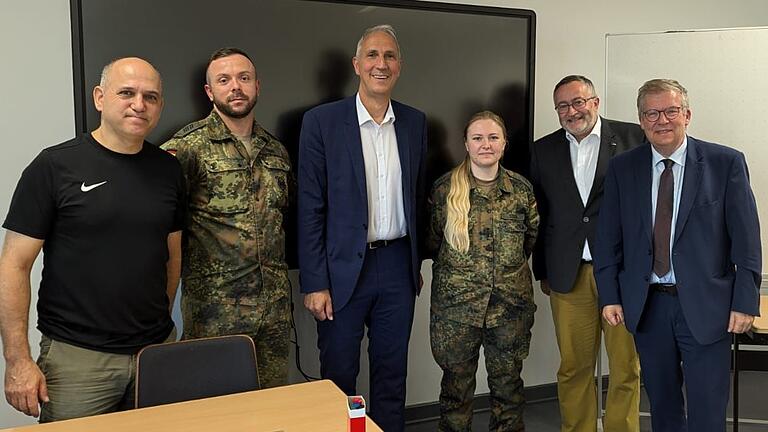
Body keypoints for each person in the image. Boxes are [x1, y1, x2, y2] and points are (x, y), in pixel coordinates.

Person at [0, 57, 184, 422]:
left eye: (150, 97)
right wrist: (18, 359)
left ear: (160, 106)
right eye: (127, 93)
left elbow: (172, 255)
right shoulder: (53, 167)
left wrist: (156, 320)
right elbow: (14, 264)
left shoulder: (169, 169)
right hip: (77, 361)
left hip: (156, 351)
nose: (139, 104)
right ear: (99, 97)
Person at [594, 79, 761, 431]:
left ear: (687, 114)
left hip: (707, 306)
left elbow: (746, 239)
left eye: (671, 111)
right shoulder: (624, 167)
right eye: (651, 113)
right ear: (640, 120)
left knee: (707, 408)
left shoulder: (724, 162)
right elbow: (608, 237)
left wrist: (745, 302)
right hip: (649, 306)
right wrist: (609, 295)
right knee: (663, 406)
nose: (662, 120)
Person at [297, 24, 427, 432]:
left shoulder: (414, 122)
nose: (380, 64)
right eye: (372, 55)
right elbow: (310, 207)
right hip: (340, 273)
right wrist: (315, 281)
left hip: (396, 266)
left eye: (389, 56)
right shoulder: (322, 122)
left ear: (399, 67)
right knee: (339, 376)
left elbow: (417, 195)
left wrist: (413, 267)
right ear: (357, 64)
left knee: (392, 374)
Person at [161, 47, 292, 388]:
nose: (236, 87)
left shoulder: (275, 150)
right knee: (217, 411)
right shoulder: (188, 147)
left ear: (257, 86)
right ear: (210, 92)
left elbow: (285, 218)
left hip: (274, 311)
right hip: (216, 312)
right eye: (224, 80)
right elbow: (157, 221)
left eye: (244, 78)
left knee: (276, 407)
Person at [529, 75, 643, 432]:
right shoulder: (542, 150)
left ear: (595, 102)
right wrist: (543, 270)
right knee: (574, 367)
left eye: (578, 102)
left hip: (623, 273)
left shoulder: (633, 138)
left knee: (625, 367)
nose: (571, 111)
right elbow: (541, 213)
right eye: (563, 105)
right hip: (568, 273)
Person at [426, 111, 538, 431]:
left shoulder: (521, 190)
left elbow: (529, 239)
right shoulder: (444, 190)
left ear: (504, 143)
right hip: (457, 312)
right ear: (466, 144)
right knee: (455, 391)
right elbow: (432, 241)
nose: (485, 145)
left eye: (493, 138)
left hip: (509, 310)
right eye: (477, 138)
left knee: (508, 390)